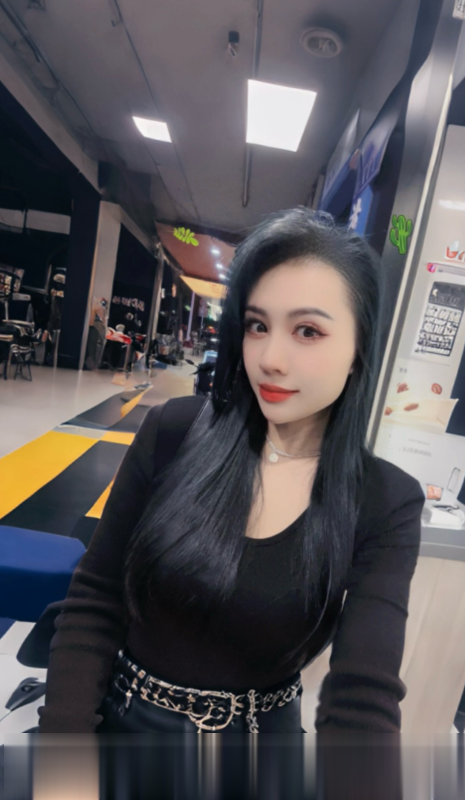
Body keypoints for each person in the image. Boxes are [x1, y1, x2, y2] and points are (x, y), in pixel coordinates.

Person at [38, 207, 424, 734]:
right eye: (258, 325)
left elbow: (364, 693)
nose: (270, 358)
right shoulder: (174, 432)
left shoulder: (385, 501)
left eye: (307, 331)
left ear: (359, 349)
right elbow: (95, 599)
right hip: (121, 721)